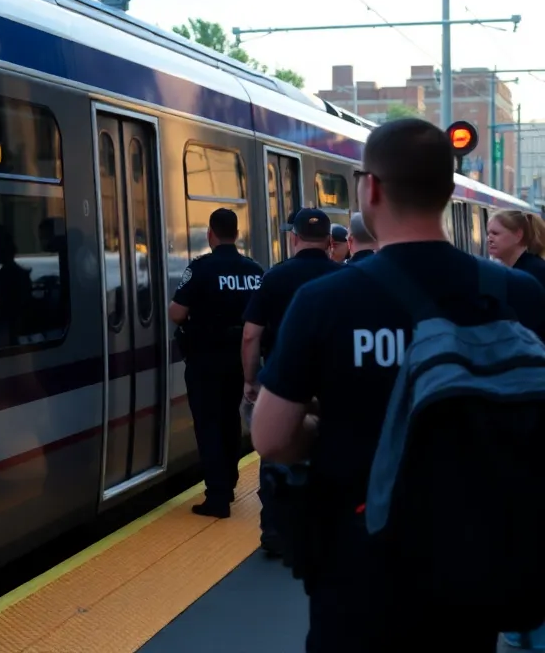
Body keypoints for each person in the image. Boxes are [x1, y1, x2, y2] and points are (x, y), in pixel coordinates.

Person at [250, 118, 545, 652]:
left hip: (361, 561)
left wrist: (326, 426)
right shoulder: (518, 293)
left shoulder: (325, 302)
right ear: (449, 190)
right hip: (476, 556)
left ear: (371, 188)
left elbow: (271, 438)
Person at [240, 207, 341, 554]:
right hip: (332, 382)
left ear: (294, 238)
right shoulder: (343, 277)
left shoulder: (275, 278)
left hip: (284, 378)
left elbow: (251, 335)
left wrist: (250, 381)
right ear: (330, 242)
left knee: (276, 449)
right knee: (331, 448)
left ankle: (275, 531)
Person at [168, 208, 264, 518]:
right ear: (236, 234)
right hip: (239, 359)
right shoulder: (253, 270)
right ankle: (231, 481)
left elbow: (178, 313)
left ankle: (218, 496)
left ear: (211, 234)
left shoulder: (201, 269)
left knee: (208, 424)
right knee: (229, 420)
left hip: (205, 361)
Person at [487, 208, 545, 288]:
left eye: (495, 233)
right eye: (488, 233)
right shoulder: (511, 269)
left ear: (518, 235)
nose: (489, 239)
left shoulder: (535, 273)